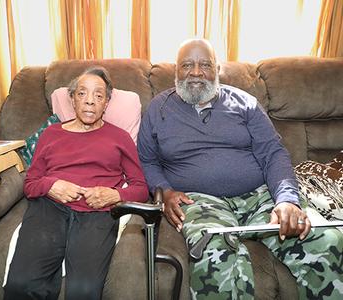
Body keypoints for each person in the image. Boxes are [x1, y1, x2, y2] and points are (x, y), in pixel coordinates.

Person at [137, 39, 343, 299]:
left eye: (205, 65)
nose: (196, 72)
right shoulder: (158, 109)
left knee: (327, 239)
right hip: (200, 200)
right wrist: (163, 190)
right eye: (187, 65)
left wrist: (288, 200)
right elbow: (147, 159)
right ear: (175, 70)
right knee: (214, 255)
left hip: (259, 195)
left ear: (218, 69)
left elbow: (273, 154)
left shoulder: (245, 103)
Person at [4, 66, 149, 300]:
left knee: (84, 290)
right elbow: (30, 183)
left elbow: (141, 188)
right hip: (49, 207)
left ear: (106, 103)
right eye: (82, 93)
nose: (90, 101)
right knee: (21, 284)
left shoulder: (120, 138)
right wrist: (51, 185)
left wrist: (114, 195)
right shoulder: (51, 134)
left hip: (97, 212)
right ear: (72, 99)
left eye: (98, 96)